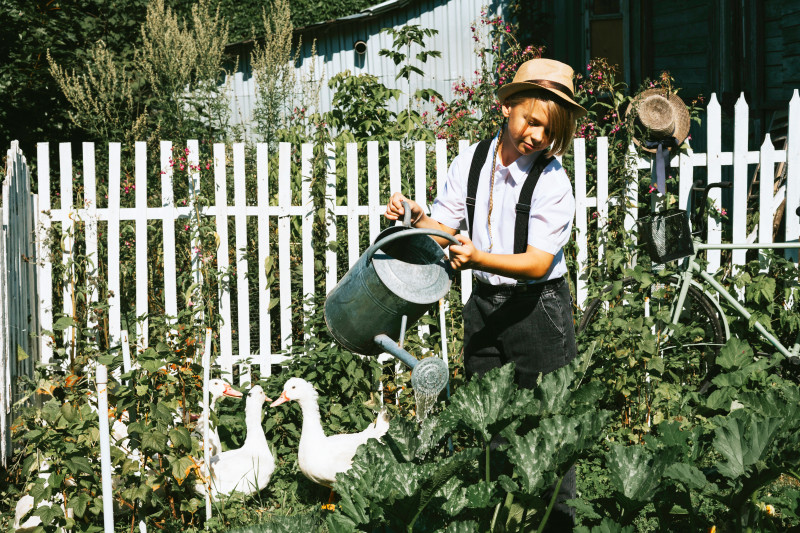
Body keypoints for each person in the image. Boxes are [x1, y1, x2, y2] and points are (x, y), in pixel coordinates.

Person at [384, 58, 586, 530]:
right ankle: (500, 520)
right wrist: (414, 215)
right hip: (484, 307)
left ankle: (557, 522)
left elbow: (536, 262)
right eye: (531, 122)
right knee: (488, 425)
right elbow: (442, 231)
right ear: (506, 105)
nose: (536, 136)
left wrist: (476, 259)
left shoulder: (553, 181)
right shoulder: (471, 161)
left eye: (548, 132)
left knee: (550, 428)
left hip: (538, 310)